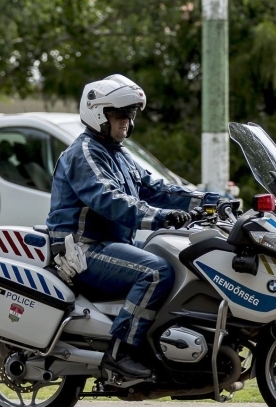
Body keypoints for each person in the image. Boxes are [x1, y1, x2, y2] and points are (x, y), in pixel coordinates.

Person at [47, 74, 219, 378]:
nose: (126, 120)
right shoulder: (84, 153)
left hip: (109, 245)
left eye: (130, 114)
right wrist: (160, 217)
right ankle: (120, 351)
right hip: (82, 251)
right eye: (119, 114)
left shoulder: (118, 154)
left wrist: (212, 201)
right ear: (99, 115)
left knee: (177, 259)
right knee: (155, 271)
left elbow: (156, 188)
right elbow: (109, 199)